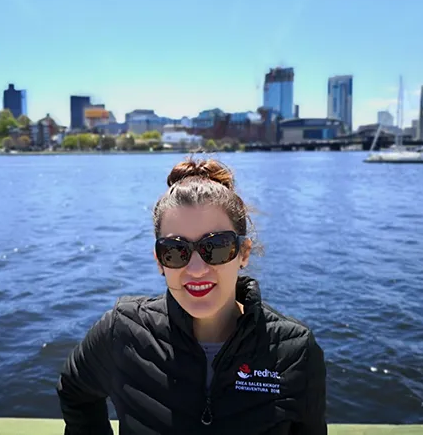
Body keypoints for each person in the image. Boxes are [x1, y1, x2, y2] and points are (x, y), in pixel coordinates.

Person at [56, 157, 327, 435]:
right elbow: (75, 390)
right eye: (176, 251)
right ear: (160, 261)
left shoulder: (294, 351)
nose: (196, 270)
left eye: (217, 247)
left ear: (243, 253)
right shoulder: (122, 330)